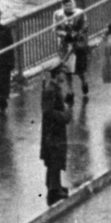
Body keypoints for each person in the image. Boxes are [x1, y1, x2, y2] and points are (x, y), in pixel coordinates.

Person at [40, 64, 71, 204]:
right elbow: (48, 112)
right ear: (56, 74)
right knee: (54, 159)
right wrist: (64, 116)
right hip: (53, 131)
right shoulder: (50, 90)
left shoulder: (54, 88)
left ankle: (56, 187)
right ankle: (53, 191)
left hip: (55, 131)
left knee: (56, 159)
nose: (63, 75)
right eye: (61, 73)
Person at [53, 0, 90, 98]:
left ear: (73, 4)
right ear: (63, 6)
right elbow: (56, 28)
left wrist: (76, 34)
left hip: (78, 44)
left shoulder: (80, 13)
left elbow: (85, 26)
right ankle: (70, 91)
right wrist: (65, 35)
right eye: (66, 5)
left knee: (80, 69)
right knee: (67, 70)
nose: (68, 7)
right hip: (65, 45)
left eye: (70, 5)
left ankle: (84, 82)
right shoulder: (58, 14)